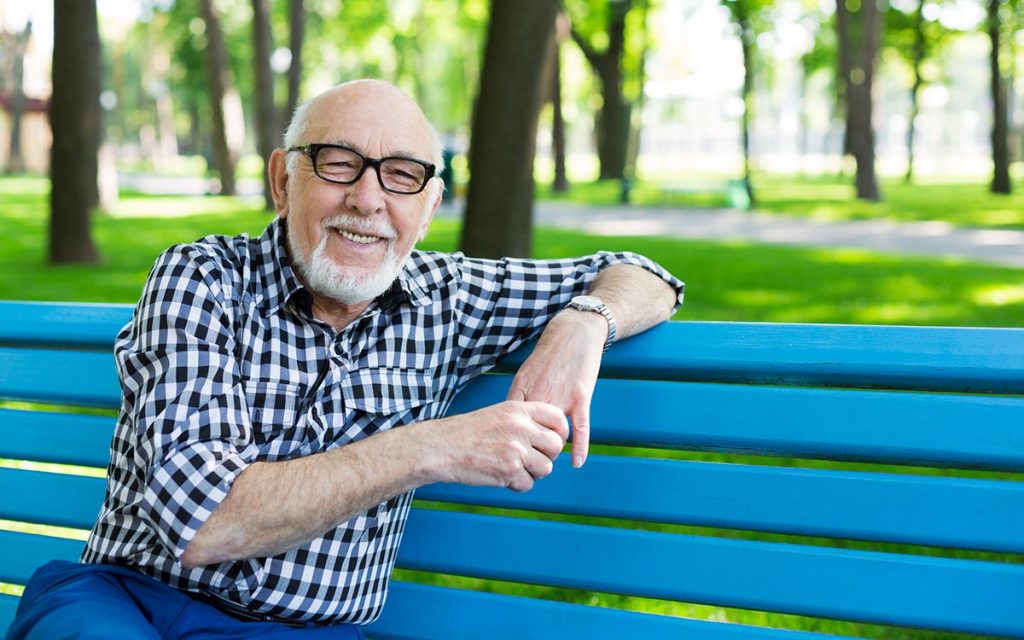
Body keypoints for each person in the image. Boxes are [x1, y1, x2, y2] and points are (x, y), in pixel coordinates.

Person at [8, 79, 683, 639]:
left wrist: (584, 321)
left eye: (403, 176)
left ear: (430, 206)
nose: (368, 199)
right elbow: (204, 522)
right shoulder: (201, 276)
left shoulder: (451, 300)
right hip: (128, 603)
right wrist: (433, 448)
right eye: (338, 162)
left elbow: (645, 276)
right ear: (283, 179)